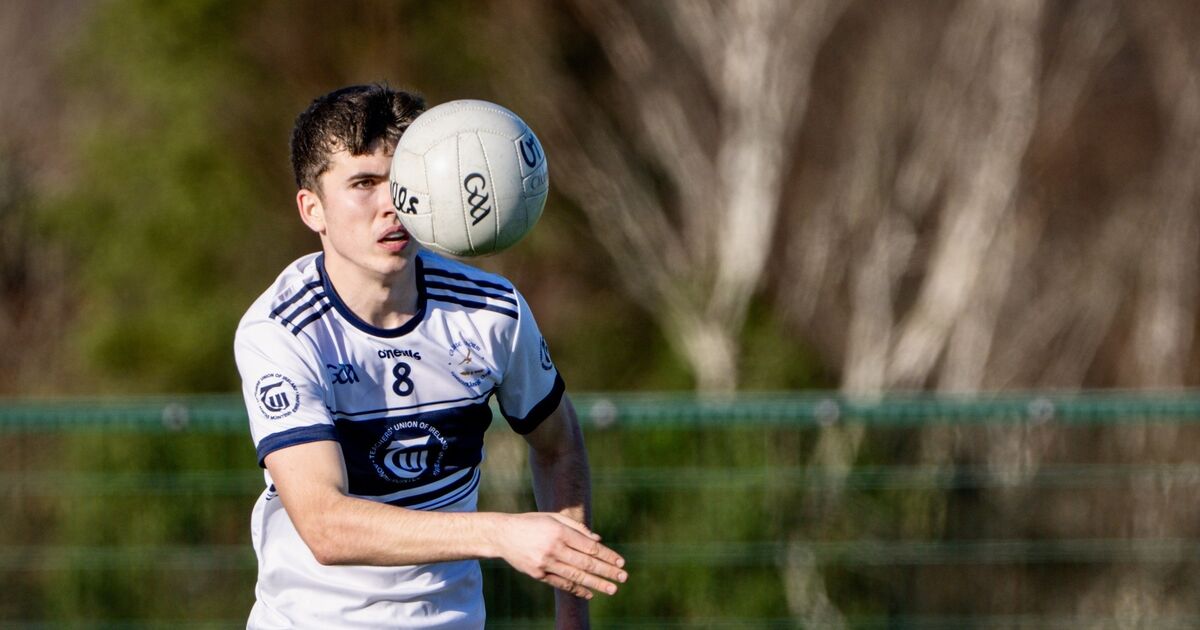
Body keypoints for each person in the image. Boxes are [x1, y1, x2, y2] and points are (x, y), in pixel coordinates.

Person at [234, 83, 625, 629]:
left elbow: (558, 445)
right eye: (364, 184)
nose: (392, 205)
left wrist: (572, 616)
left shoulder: (491, 311)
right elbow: (325, 525)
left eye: (402, 180)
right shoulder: (282, 331)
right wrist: (500, 533)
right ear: (312, 209)